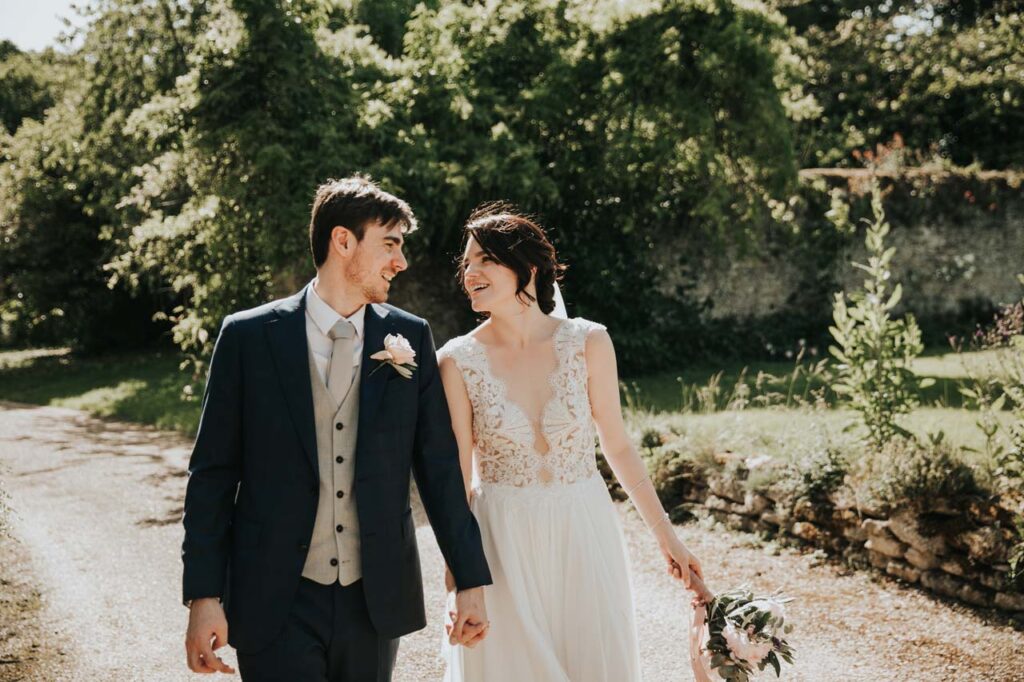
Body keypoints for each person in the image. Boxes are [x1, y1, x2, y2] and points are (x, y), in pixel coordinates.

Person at [181, 176, 492, 681]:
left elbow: (439, 471)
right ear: (342, 240)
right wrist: (203, 596)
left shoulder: (410, 335)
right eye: (390, 244)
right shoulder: (248, 337)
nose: (401, 261)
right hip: (274, 597)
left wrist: (469, 581)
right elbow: (212, 476)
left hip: (373, 600)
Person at [438, 205, 708, 681]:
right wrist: (459, 584)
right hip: (501, 540)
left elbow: (618, 447)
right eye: (467, 264)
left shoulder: (588, 342)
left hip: (584, 528)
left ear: (528, 268)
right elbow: (455, 483)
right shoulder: (456, 362)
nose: (470, 273)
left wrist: (669, 538)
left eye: (484, 260)